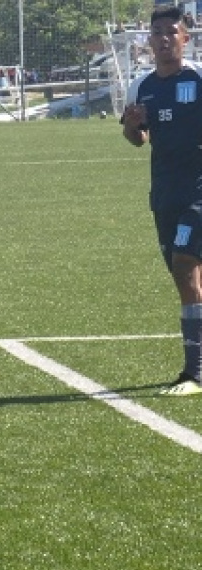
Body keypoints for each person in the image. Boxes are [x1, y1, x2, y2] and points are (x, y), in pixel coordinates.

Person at [123, 4, 202, 395]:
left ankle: (195, 373)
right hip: (165, 194)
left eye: (172, 32)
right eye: (158, 33)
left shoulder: (199, 78)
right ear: (149, 41)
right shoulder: (140, 87)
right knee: (183, 275)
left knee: (185, 264)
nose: (165, 38)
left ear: (185, 38)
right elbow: (136, 139)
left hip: (199, 191)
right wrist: (134, 126)